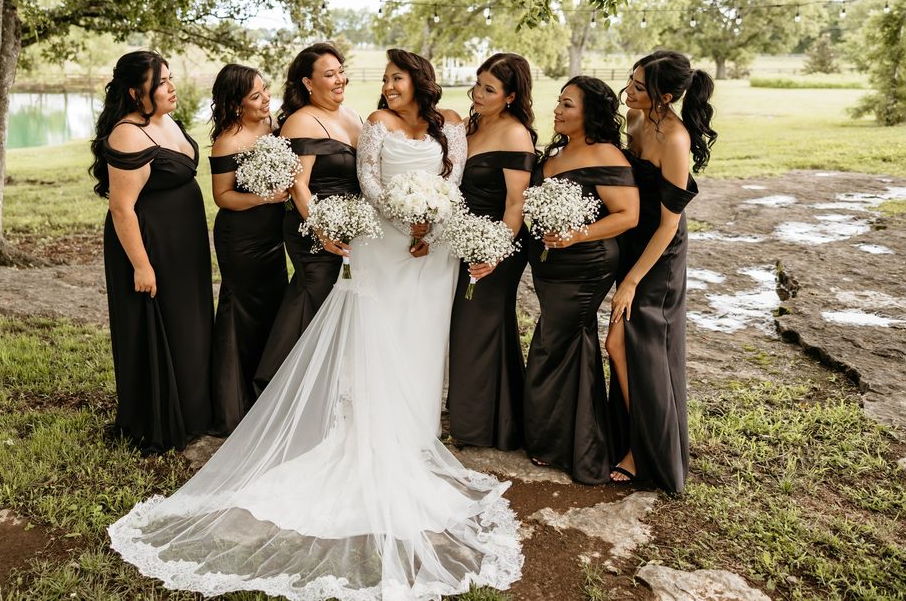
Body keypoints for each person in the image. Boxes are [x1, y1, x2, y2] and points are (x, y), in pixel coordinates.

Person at [108, 48, 523, 600]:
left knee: (413, 338)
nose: (355, 81)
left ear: (418, 82)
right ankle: (294, 407)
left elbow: (452, 172)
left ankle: (409, 426)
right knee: (343, 321)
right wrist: (353, 221)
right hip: (358, 236)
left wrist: (436, 217)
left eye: (388, 76)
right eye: (331, 74)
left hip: (422, 245)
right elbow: (352, 181)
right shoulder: (342, 122)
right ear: (306, 82)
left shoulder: (406, 122)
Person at [90, 50, 213, 454]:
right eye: (161, 83)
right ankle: (158, 419)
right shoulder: (128, 133)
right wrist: (142, 266)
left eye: (170, 78)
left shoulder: (164, 120)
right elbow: (121, 208)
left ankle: (195, 411)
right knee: (161, 324)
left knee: (189, 323)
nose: (171, 87)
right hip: (150, 246)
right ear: (134, 91)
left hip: (183, 245)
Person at [605, 50, 716, 493]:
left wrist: (631, 281)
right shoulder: (634, 121)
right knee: (633, 348)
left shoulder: (675, 139)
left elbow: (670, 223)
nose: (627, 92)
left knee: (622, 341)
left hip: (660, 253)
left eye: (637, 87)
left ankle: (644, 449)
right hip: (633, 239)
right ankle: (633, 437)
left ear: (664, 96)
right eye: (629, 82)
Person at [523, 76, 638, 484]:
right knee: (558, 343)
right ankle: (554, 439)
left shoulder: (606, 154)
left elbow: (628, 215)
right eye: (559, 102)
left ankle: (579, 445)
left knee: (558, 343)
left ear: (590, 112)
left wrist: (576, 234)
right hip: (550, 267)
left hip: (586, 265)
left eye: (567, 104)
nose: (557, 109)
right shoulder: (557, 152)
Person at [252, 43, 362, 394]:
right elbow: (299, 185)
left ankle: (331, 387)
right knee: (313, 300)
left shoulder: (353, 117)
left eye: (340, 71)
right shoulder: (302, 121)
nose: (339, 79)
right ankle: (282, 390)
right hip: (313, 229)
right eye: (329, 75)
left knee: (341, 306)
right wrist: (322, 230)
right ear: (308, 83)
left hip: (350, 228)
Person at [447, 52, 537, 451]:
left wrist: (495, 251)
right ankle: (489, 417)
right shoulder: (471, 124)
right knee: (470, 329)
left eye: (490, 89)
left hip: (498, 242)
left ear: (511, 96)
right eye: (478, 84)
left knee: (476, 328)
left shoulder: (515, 133)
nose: (478, 94)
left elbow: (516, 204)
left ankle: (477, 427)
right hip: (464, 239)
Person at [206, 64, 288, 435]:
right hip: (241, 238)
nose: (266, 97)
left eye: (265, 89)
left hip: (273, 238)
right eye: (256, 96)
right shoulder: (228, 140)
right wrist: (263, 197)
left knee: (274, 308)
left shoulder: (275, 126)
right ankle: (232, 407)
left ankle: (266, 395)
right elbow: (222, 196)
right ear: (236, 105)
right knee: (241, 312)